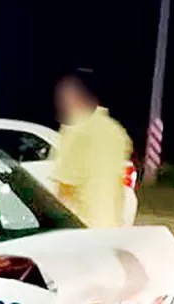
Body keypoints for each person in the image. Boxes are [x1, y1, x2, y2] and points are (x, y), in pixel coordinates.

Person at [50, 69, 133, 228]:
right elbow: (119, 189)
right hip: (111, 227)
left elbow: (64, 191)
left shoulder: (75, 128)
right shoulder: (116, 131)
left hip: (81, 228)